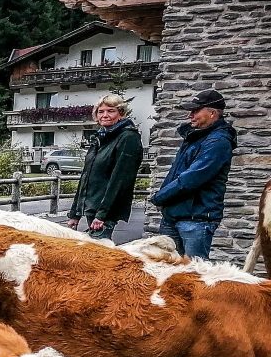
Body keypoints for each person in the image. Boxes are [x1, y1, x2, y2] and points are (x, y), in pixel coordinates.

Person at [150, 89, 236, 260]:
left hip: (197, 219)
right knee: (165, 268)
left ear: (212, 113)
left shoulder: (218, 141)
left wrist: (160, 197)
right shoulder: (195, 137)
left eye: (196, 110)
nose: (190, 115)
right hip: (175, 216)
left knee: (193, 271)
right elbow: (176, 174)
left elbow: (192, 178)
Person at [65, 94, 143, 242]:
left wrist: (103, 215)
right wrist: (75, 213)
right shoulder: (100, 138)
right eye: (101, 112)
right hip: (91, 206)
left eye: (111, 111)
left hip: (105, 211)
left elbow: (120, 180)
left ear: (121, 113)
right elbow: (85, 177)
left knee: (98, 250)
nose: (105, 115)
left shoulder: (128, 138)